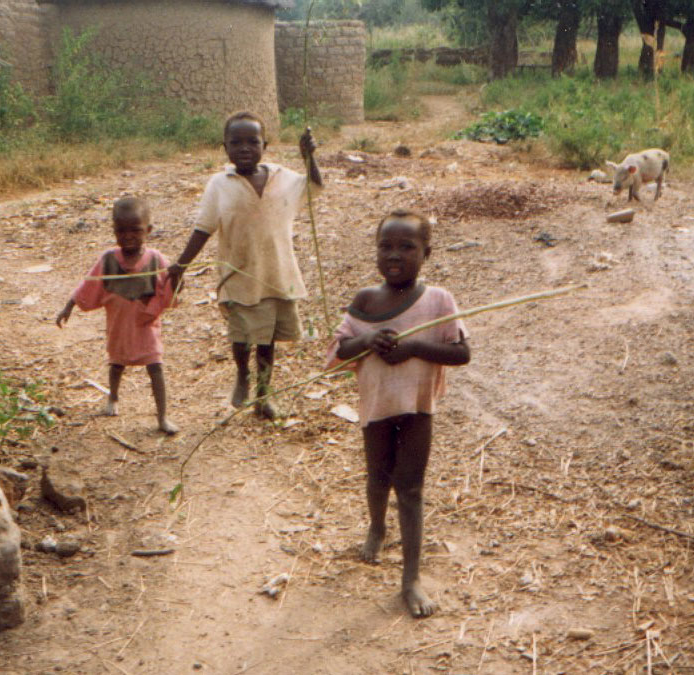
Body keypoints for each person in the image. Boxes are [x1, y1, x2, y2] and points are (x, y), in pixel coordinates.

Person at [329, 209, 470, 618]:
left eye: (407, 247)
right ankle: (377, 526)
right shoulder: (366, 301)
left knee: (409, 489)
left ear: (427, 252)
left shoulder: (439, 300)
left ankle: (410, 580)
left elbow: (461, 352)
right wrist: (369, 339)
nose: (395, 254)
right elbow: (340, 351)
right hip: (376, 407)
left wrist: (414, 348)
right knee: (377, 476)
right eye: (386, 246)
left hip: (416, 409)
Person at [168, 111, 322, 419]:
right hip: (238, 273)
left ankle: (264, 395)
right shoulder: (219, 184)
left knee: (267, 342)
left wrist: (309, 157)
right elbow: (203, 227)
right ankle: (243, 376)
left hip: (276, 274)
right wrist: (180, 265)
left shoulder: (283, 178)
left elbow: (314, 187)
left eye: (252, 141)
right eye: (235, 142)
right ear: (224, 147)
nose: (244, 148)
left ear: (264, 144)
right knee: (241, 335)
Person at [56, 197, 179, 435]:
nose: (128, 236)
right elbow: (88, 284)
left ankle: (162, 417)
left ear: (149, 230)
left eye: (136, 230)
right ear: (113, 230)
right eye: (121, 231)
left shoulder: (156, 259)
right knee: (116, 363)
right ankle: (113, 397)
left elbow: (169, 292)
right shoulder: (108, 259)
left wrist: (177, 277)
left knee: (155, 366)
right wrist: (68, 306)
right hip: (118, 324)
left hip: (146, 324)